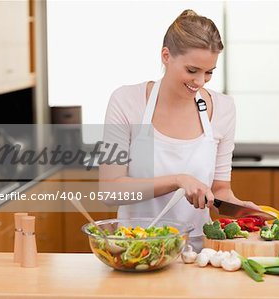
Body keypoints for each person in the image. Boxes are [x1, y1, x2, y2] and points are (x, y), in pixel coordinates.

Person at [100, 9, 260, 252]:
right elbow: (110, 191)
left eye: (209, 72)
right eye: (192, 70)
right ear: (166, 56)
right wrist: (177, 181)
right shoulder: (126, 101)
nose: (200, 81)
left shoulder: (224, 109)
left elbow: (220, 189)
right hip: (134, 249)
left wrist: (238, 206)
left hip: (197, 252)